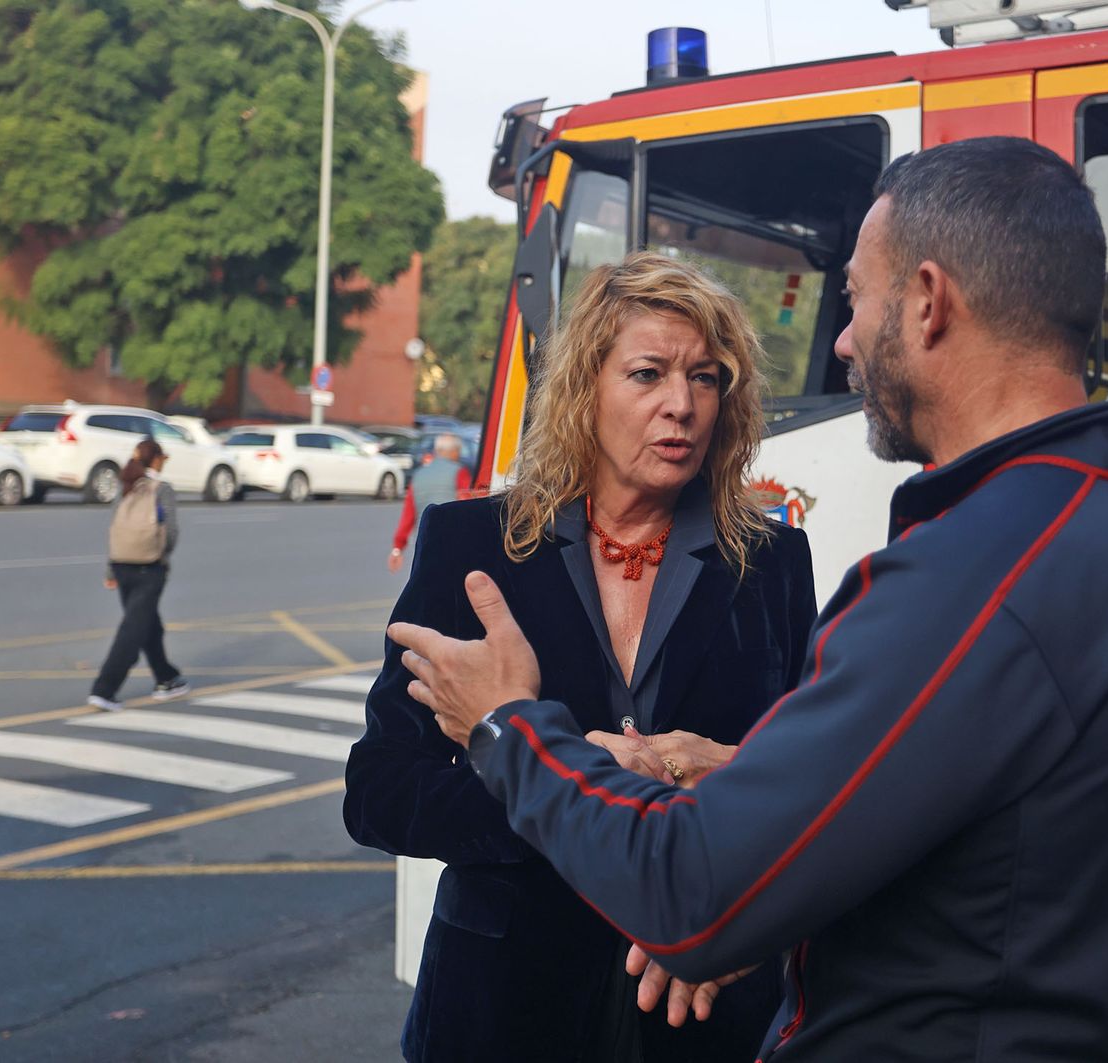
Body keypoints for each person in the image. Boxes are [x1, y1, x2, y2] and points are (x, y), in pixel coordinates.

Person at [393, 137, 1108, 1061]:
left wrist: (510, 727)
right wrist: (741, 791)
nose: (841, 340)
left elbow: (698, 894)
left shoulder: (963, 579)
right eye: (647, 375)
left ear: (926, 303)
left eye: (854, 300)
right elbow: (968, 823)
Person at [345, 251, 818, 1062]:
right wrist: (562, 785)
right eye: (648, 374)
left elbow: (810, 784)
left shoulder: (772, 562)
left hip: (701, 1012)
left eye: (706, 378)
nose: (682, 406)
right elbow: (379, 790)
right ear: (584, 388)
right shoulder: (473, 547)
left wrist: (715, 773)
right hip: (499, 1009)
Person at [88, 439, 188, 712]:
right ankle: (104, 690)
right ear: (156, 460)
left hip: (122, 564)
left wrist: (111, 569)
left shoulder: (127, 484)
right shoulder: (162, 489)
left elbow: (115, 527)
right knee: (133, 631)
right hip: (149, 567)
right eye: (162, 458)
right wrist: (161, 556)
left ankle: (167, 678)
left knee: (148, 625)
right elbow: (172, 532)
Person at [388, 432, 472, 573]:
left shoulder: (419, 475)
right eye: (458, 451)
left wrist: (397, 549)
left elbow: (408, 516)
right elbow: (468, 505)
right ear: (454, 452)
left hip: (424, 541)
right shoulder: (460, 473)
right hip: (452, 541)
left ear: (437, 451)